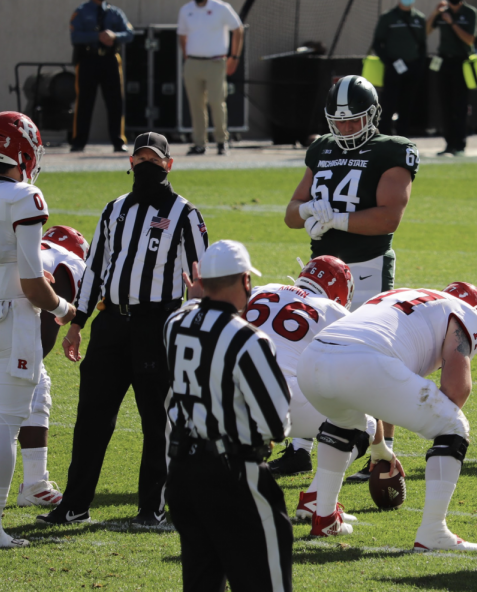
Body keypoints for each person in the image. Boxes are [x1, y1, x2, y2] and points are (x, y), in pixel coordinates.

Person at [37, 132, 208, 527]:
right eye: (140, 157)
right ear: (130, 162)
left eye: (154, 158)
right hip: (111, 323)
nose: (146, 164)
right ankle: (74, 504)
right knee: (91, 416)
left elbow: (202, 275)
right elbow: (96, 267)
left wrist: (197, 321)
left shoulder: (185, 213)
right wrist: (78, 322)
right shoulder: (114, 209)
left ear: (169, 164)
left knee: (156, 421)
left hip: (157, 324)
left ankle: (153, 508)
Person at [284, 74, 419, 479]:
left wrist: (337, 219)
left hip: (366, 268)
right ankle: (298, 446)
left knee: (375, 357)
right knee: (306, 352)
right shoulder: (321, 148)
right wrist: (309, 213)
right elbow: (291, 212)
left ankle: (384, 449)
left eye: (353, 120)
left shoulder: (393, 150)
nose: (343, 129)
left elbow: (388, 216)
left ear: (373, 116)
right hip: (319, 271)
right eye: (338, 121)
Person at [296, 283, 477, 550]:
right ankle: (433, 530)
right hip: (363, 360)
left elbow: (374, 387)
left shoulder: (401, 296)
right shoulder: (466, 314)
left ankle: (325, 516)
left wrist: (381, 449)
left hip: (312, 360)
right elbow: (456, 391)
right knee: (454, 424)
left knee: (345, 422)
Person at [0, 112, 77, 549]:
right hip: (9, 321)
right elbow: (34, 284)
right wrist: (65, 308)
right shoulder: (24, 197)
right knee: (4, 428)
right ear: (24, 152)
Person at [166, 240, 292, 592]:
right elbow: (276, 424)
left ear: (203, 283)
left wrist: (196, 298)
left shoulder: (175, 323)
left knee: (201, 581)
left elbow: (193, 318)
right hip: (234, 476)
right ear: (245, 281)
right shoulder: (249, 340)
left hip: (182, 473)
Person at [246, 257, 358, 492]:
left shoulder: (260, 290)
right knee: (362, 418)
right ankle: (317, 497)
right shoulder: (334, 311)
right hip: (282, 409)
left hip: (228, 396)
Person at [16, 226, 88, 508]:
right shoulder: (70, 262)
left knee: (37, 383)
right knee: (27, 388)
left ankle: (35, 484)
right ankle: (33, 485)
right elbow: (43, 337)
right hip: (0, 332)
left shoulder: (28, 245)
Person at [177, 0, 244, 156]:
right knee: (196, 104)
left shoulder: (221, 8)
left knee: (216, 101)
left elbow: (238, 29)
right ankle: (199, 143)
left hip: (216, 62)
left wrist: (234, 57)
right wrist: (187, 57)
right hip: (193, 62)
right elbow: (182, 34)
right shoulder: (186, 9)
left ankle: (221, 141)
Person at [69, 0, 134, 153]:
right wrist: (98, 36)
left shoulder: (115, 12)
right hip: (88, 60)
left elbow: (129, 34)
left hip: (110, 60)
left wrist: (114, 35)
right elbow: (75, 36)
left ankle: (118, 141)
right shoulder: (81, 11)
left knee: (115, 102)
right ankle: (79, 142)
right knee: (84, 102)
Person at [426, 0, 477, 157]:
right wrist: (435, 13)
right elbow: (426, 31)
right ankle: (449, 144)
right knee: (445, 104)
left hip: (461, 62)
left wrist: (453, 22)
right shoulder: (443, 11)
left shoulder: (470, 12)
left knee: (460, 105)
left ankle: (460, 144)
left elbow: (469, 39)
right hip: (444, 61)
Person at [373, 0, 428, 137]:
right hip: (393, 67)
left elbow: (422, 45)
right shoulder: (388, 17)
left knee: (407, 105)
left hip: (412, 67)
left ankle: (402, 137)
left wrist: (419, 65)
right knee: (389, 104)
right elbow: (377, 43)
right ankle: (384, 136)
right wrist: (389, 63)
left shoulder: (419, 18)